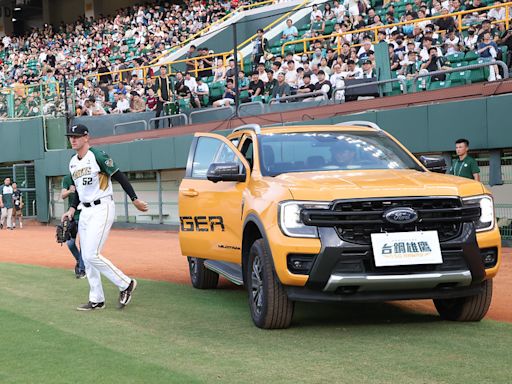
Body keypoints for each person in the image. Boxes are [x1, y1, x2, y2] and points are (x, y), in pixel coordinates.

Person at [61, 124, 149, 310]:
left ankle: (126, 283)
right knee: (86, 256)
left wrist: (135, 199)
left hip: (102, 207)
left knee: (92, 254)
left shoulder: (98, 156)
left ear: (87, 137)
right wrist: (71, 209)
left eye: (77, 136)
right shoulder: (73, 162)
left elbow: (120, 176)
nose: (73, 139)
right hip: (84, 211)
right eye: (71, 136)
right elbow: (78, 190)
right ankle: (97, 299)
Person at [61, 174, 86, 279]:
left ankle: (82, 269)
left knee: (83, 244)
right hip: (72, 215)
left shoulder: (85, 177)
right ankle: (79, 260)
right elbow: (62, 195)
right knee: (70, 243)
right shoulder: (67, 179)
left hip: (85, 214)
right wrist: (70, 191)